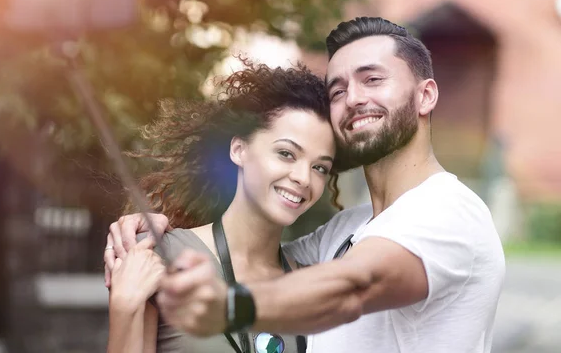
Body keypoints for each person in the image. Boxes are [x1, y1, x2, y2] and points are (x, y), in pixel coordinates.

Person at [106, 17, 506, 353]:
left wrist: (230, 307)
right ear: (238, 149)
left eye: (372, 78)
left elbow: (354, 287)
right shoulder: (345, 231)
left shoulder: (450, 211)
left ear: (426, 95)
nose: (353, 98)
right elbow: (252, 250)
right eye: (338, 89)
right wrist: (143, 231)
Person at [107, 60, 341, 353]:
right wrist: (124, 307)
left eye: (320, 168)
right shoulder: (161, 256)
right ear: (239, 149)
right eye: (286, 153)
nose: (303, 178)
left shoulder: (309, 286)